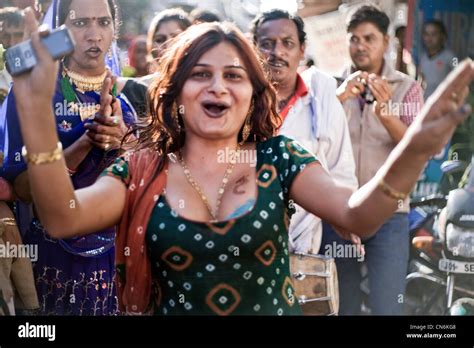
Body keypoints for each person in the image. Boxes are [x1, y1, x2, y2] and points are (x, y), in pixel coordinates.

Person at [12, 9, 473, 315]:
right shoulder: (143, 168)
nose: (217, 87)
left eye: (233, 76)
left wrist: (413, 149)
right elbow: (61, 216)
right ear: (174, 93)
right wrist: (34, 113)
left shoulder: (280, 158)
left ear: (253, 91)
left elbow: (359, 214)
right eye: (200, 75)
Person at [0, 0, 138, 315]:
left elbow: (145, 187)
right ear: (60, 32)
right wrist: (86, 141)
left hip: (110, 262)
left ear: (114, 29)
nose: (94, 34)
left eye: (103, 23)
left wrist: (123, 144)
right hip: (50, 259)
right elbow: (22, 189)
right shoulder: (35, 94)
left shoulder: (128, 102)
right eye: (80, 23)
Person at [333, 5, 425, 315]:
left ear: (385, 42)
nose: (360, 46)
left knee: (387, 307)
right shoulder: (333, 88)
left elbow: (418, 149)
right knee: (341, 307)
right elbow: (312, 142)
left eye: (368, 38)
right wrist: (339, 99)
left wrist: (388, 118)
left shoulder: (408, 89)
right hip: (338, 213)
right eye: (354, 38)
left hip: (389, 214)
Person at [251, 9, 359, 254]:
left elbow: (340, 170)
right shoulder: (238, 100)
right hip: (244, 243)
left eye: (287, 43)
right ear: (253, 49)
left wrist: (342, 215)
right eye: (267, 44)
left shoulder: (321, 101)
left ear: (302, 49)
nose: (277, 52)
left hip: (304, 245)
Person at [419, 20, 455, 99]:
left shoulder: (451, 57)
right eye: (426, 34)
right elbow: (420, 80)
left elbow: (460, 76)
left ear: (443, 36)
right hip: (426, 103)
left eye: (434, 34)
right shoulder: (423, 58)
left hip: (444, 104)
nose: (429, 38)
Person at [0, 7, 24, 106]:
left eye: (18, 35)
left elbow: (73, 101)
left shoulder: (55, 67)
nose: (12, 42)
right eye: (6, 36)